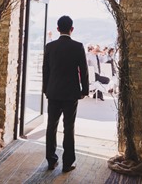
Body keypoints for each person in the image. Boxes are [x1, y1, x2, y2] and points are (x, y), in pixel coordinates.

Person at [42, 15, 89, 173]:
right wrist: (85, 90)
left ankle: (51, 160)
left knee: (51, 126)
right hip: (71, 94)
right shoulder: (78, 46)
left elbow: (45, 71)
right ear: (72, 29)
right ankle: (68, 164)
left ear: (57, 29)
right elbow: (84, 70)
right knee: (69, 128)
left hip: (53, 92)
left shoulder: (50, 47)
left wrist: (45, 89)